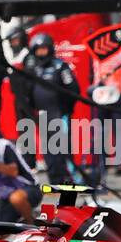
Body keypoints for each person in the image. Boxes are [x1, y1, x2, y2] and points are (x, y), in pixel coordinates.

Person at [25, 32, 81, 185]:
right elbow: (27, 92)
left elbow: (73, 89)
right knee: (49, 150)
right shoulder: (33, 69)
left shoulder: (60, 66)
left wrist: (66, 108)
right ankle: (55, 180)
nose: (41, 53)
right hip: (43, 115)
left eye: (44, 49)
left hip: (60, 114)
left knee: (63, 148)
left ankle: (70, 178)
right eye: (38, 50)